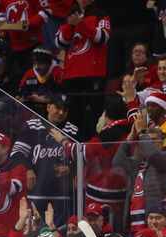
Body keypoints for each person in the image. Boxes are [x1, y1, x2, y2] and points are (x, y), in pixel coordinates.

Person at [11, 93, 78, 225]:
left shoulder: (73, 131)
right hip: (36, 195)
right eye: (58, 108)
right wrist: (28, 169)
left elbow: (81, 158)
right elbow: (16, 153)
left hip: (61, 198)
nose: (61, 112)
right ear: (48, 107)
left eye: (65, 110)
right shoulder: (31, 126)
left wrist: (70, 167)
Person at [55, 0, 111, 138]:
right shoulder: (71, 16)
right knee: (71, 116)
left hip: (93, 74)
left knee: (94, 115)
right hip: (71, 75)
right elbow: (59, 42)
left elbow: (103, 37)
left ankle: (92, 149)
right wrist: (70, 24)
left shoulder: (101, 15)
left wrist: (82, 24)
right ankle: (71, 148)